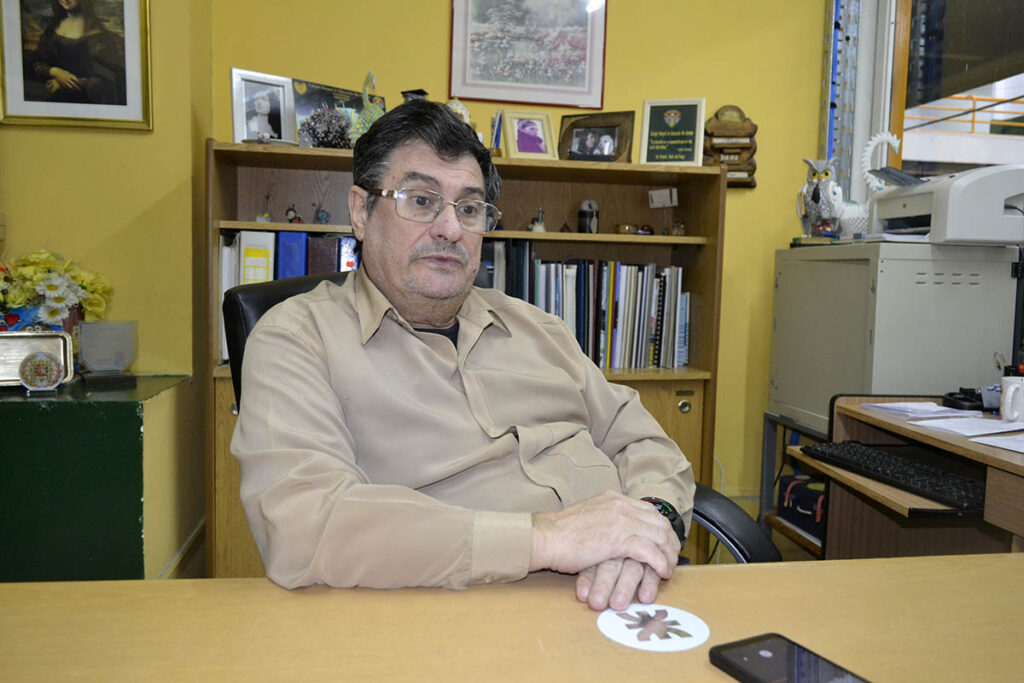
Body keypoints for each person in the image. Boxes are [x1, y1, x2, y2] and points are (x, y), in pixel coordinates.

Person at [231, 99, 695, 612]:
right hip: (458, 616)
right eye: (420, 200)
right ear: (361, 211)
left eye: (469, 209)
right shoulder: (297, 339)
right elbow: (305, 525)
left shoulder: (539, 328)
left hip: (631, 594)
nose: (450, 229)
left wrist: (649, 525)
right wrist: (549, 538)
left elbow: (643, 442)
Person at [25, 0, 126, 105]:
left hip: (85, 103)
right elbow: (37, 62)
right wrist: (56, 72)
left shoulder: (98, 35)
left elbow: (107, 80)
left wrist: (67, 84)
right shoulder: (53, 28)